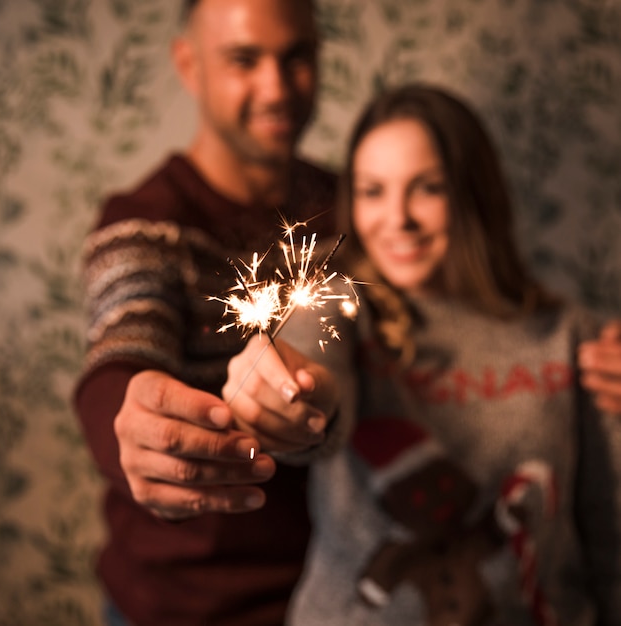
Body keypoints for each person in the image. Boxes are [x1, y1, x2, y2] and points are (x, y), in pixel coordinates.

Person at [223, 84, 621, 625]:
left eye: (426, 188)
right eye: (372, 191)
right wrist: (286, 396)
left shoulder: (573, 337)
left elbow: (609, 532)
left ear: (472, 192)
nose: (397, 218)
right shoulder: (341, 300)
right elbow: (312, 364)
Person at [73, 0, 340, 624]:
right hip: (179, 605)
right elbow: (120, 355)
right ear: (189, 66)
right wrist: (132, 420)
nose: (275, 88)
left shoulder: (352, 206)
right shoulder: (144, 225)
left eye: (295, 57)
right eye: (244, 60)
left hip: (335, 594)